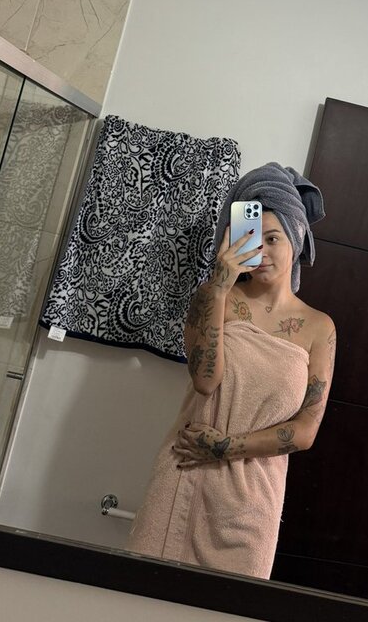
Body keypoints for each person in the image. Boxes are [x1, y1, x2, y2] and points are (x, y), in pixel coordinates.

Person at [128, 163, 335, 579]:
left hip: (251, 501)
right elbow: (205, 381)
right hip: (184, 473)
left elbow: (305, 430)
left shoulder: (319, 328)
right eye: (252, 238)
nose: (262, 252)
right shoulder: (212, 297)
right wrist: (219, 286)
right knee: (142, 596)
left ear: (296, 238)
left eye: (273, 238)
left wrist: (224, 447)